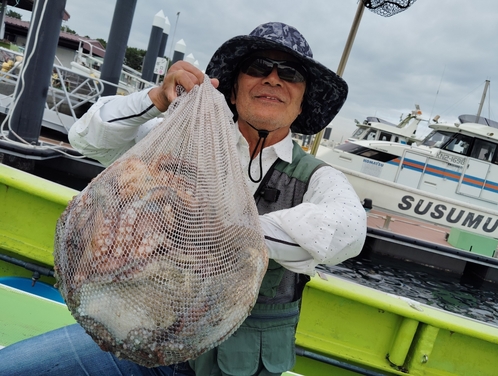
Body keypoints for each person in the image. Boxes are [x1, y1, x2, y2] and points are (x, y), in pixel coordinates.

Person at [0, 22, 366, 376]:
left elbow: (346, 231)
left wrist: (209, 221)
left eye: (290, 74)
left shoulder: (319, 178)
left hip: (231, 370)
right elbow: (87, 137)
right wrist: (157, 98)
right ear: (234, 89)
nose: (273, 78)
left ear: (303, 103)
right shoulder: (182, 137)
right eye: (258, 67)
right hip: (134, 341)